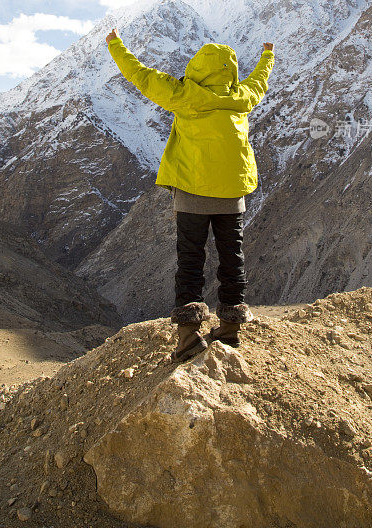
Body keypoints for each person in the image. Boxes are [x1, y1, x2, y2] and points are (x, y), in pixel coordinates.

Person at [105, 28, 274, 361]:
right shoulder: (241, 97)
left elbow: (139, 74)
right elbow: (259, 81)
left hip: (191, 192)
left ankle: (188, 337)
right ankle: (229, 330)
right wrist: (267, 54)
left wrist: (115, 44)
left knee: (191, 262)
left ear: (198, 67)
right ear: (230, 71)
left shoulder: (183, 95)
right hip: (231, 192)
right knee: (232, 260)